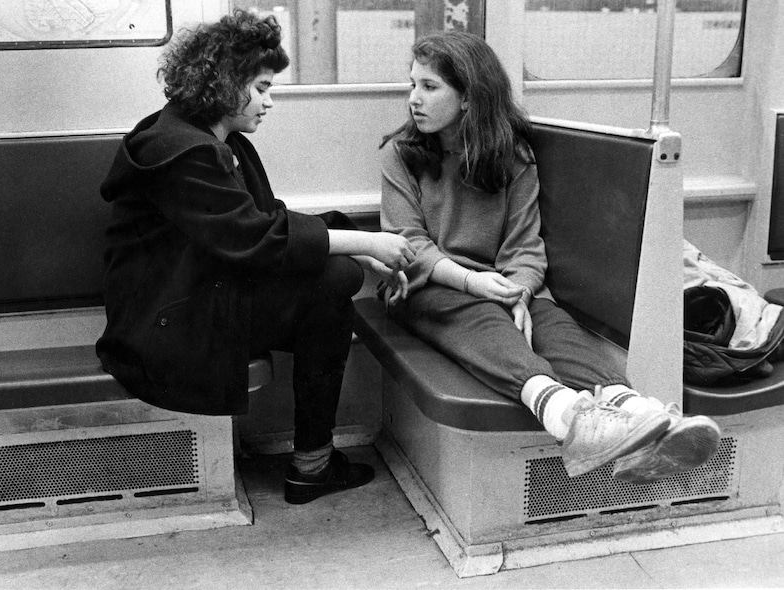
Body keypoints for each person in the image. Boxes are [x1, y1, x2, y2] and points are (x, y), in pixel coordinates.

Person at [96, 11, 413, 504]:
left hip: (195, 301)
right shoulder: (184, 151)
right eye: (262, 87)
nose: (269, 101)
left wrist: (358, 243)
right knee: (333, 283)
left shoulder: (218, 141)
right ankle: (313, 463)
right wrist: (370, 244)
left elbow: (265, 218)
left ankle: (312, 464)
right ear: (225, 84)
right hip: (164, 325)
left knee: (332, 292)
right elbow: (258, 240)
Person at [378, 31, 720, 483]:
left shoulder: (513, 157)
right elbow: (409, 245)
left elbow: (525, 245)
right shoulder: (399, 154)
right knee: (477, 314)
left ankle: (635, 414)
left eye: (428, 86)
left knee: (551, 320)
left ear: (467, 98)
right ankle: (566, 413)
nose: (413, 99)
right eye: (412, 85)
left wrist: (519, 291)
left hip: (502, 284)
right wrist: (472, 282)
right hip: (424, 286)